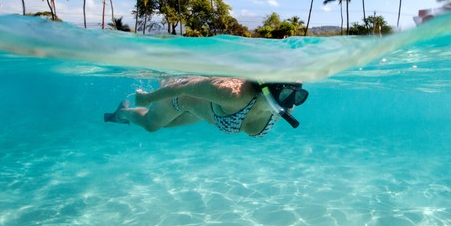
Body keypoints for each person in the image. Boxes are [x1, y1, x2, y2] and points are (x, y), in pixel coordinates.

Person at [104, 76, 308, 138]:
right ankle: (122, 112)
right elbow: (183, 87)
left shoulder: (287, 107)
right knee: (151, 125)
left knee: (164, 125)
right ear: (268, 89)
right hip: (181, 96)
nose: (290, 102)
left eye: (298, 96)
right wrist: (148, 98)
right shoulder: (234, 94)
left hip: (204, 111)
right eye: (284, 94)